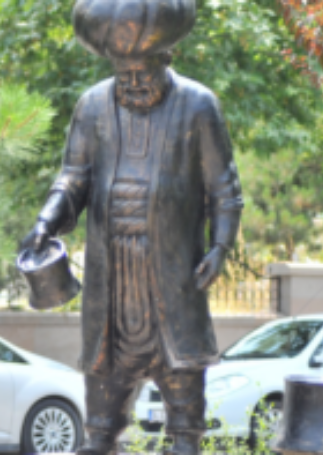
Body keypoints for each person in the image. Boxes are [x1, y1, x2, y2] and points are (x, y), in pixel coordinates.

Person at [21, 1, 244, 453]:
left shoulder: (198, 106)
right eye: (124, 74)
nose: (134, 82)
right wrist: (46, 222)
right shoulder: (92, 107)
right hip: (112, 292)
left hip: (173, 285)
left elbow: (225, 189)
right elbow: (72, 179)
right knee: (99, 431)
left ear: (166, 57)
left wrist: (219, 247)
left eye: (143, 72)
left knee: (186, 429)